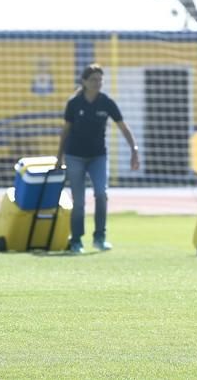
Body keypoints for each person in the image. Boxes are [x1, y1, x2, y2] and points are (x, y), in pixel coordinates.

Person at [55, 63, 140, 254]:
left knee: (101, 194)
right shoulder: (74, 103)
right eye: (93, 79)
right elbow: (65, 131)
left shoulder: (106, 102)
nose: (97, 83)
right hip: (75, 156)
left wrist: (134, 149)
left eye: (100, 79)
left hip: (98, 157)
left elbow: (123, 126)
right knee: (78, 202)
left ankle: (99, 237)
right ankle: (76, 240)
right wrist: (59, 157)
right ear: (84, 81)